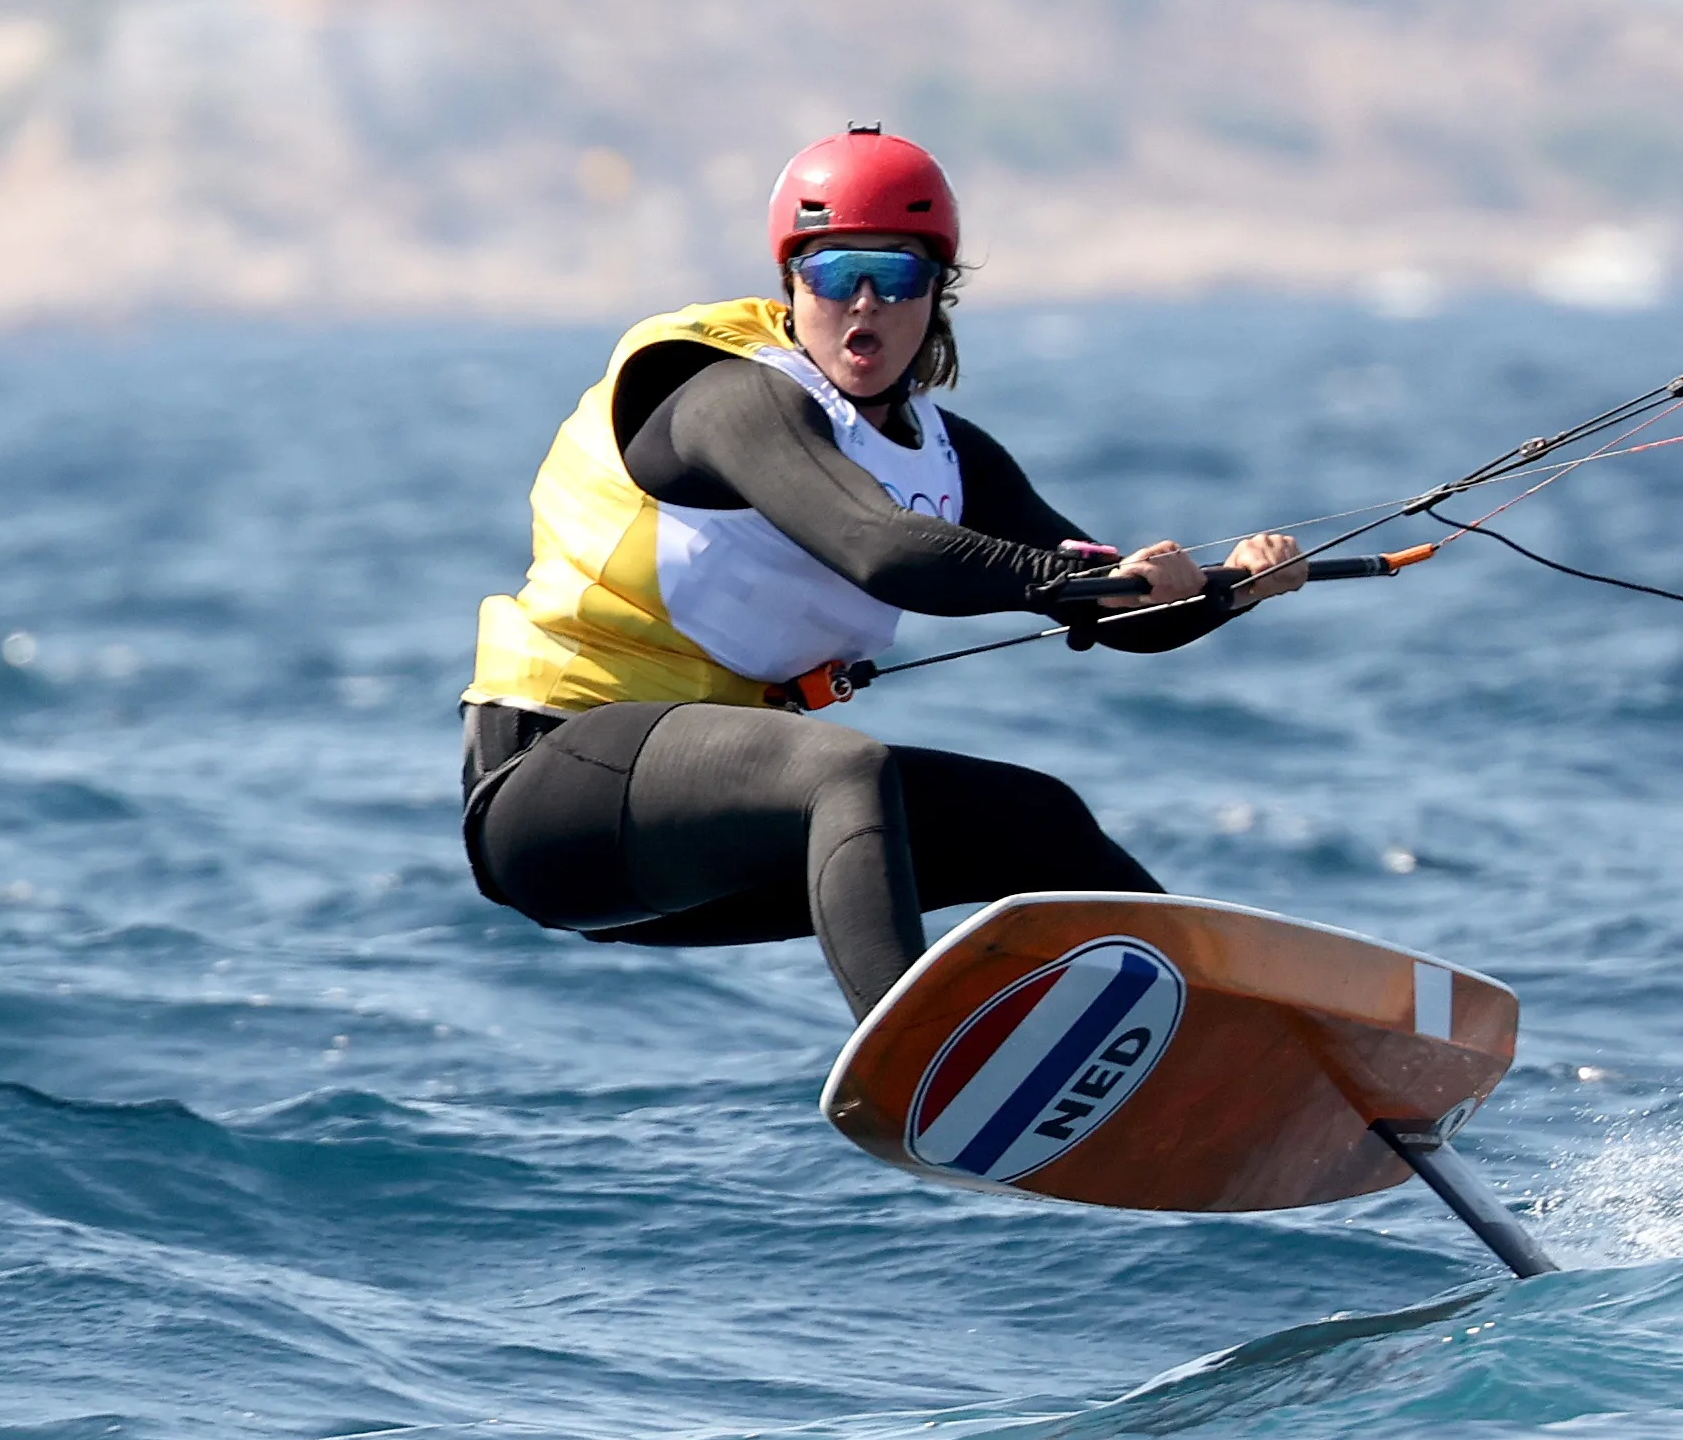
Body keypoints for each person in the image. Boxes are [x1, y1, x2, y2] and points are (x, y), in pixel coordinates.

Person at [459, 125, 1304, 1017]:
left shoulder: (951, 458)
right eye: (831, 274)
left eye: (896, 276)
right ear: (790, 282)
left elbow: (1110, 608)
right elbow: (884, 549)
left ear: (936, 293)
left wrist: (1225, 588)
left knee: (1038, 821)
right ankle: (918, 1058)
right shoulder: (725, 394)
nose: (863, 303)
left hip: (709, 838)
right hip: (556, 794)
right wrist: (1080, 579)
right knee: (845, 771)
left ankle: (1235, 1033)